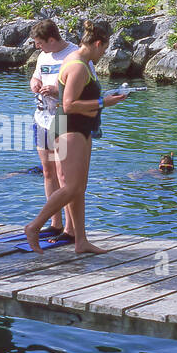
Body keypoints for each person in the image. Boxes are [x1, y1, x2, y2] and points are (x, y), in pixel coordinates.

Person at [25, 20, 128, 254]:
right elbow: (69, 104)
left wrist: (103, 100)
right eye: (104, 49)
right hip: (68, 127)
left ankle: (80, 240)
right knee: (70, 187)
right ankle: (34, 226)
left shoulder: (79, 61)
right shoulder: (78, 65)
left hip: (78, 127)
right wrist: (104, 102)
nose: (103, 55)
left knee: (78, 187)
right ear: (98, 44)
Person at [28, 19, 79, 241]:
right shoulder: (42, 56)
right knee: (47, 171)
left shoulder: (74, 55)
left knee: (63, 175)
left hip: (63, 118)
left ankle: (71, 228)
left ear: (51, 39)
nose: (38, 47)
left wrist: (59, 90)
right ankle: (54, 223)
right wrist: (35, 83)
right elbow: (36, 75)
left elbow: (86, 86)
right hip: (42, 117)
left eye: (40, 43)